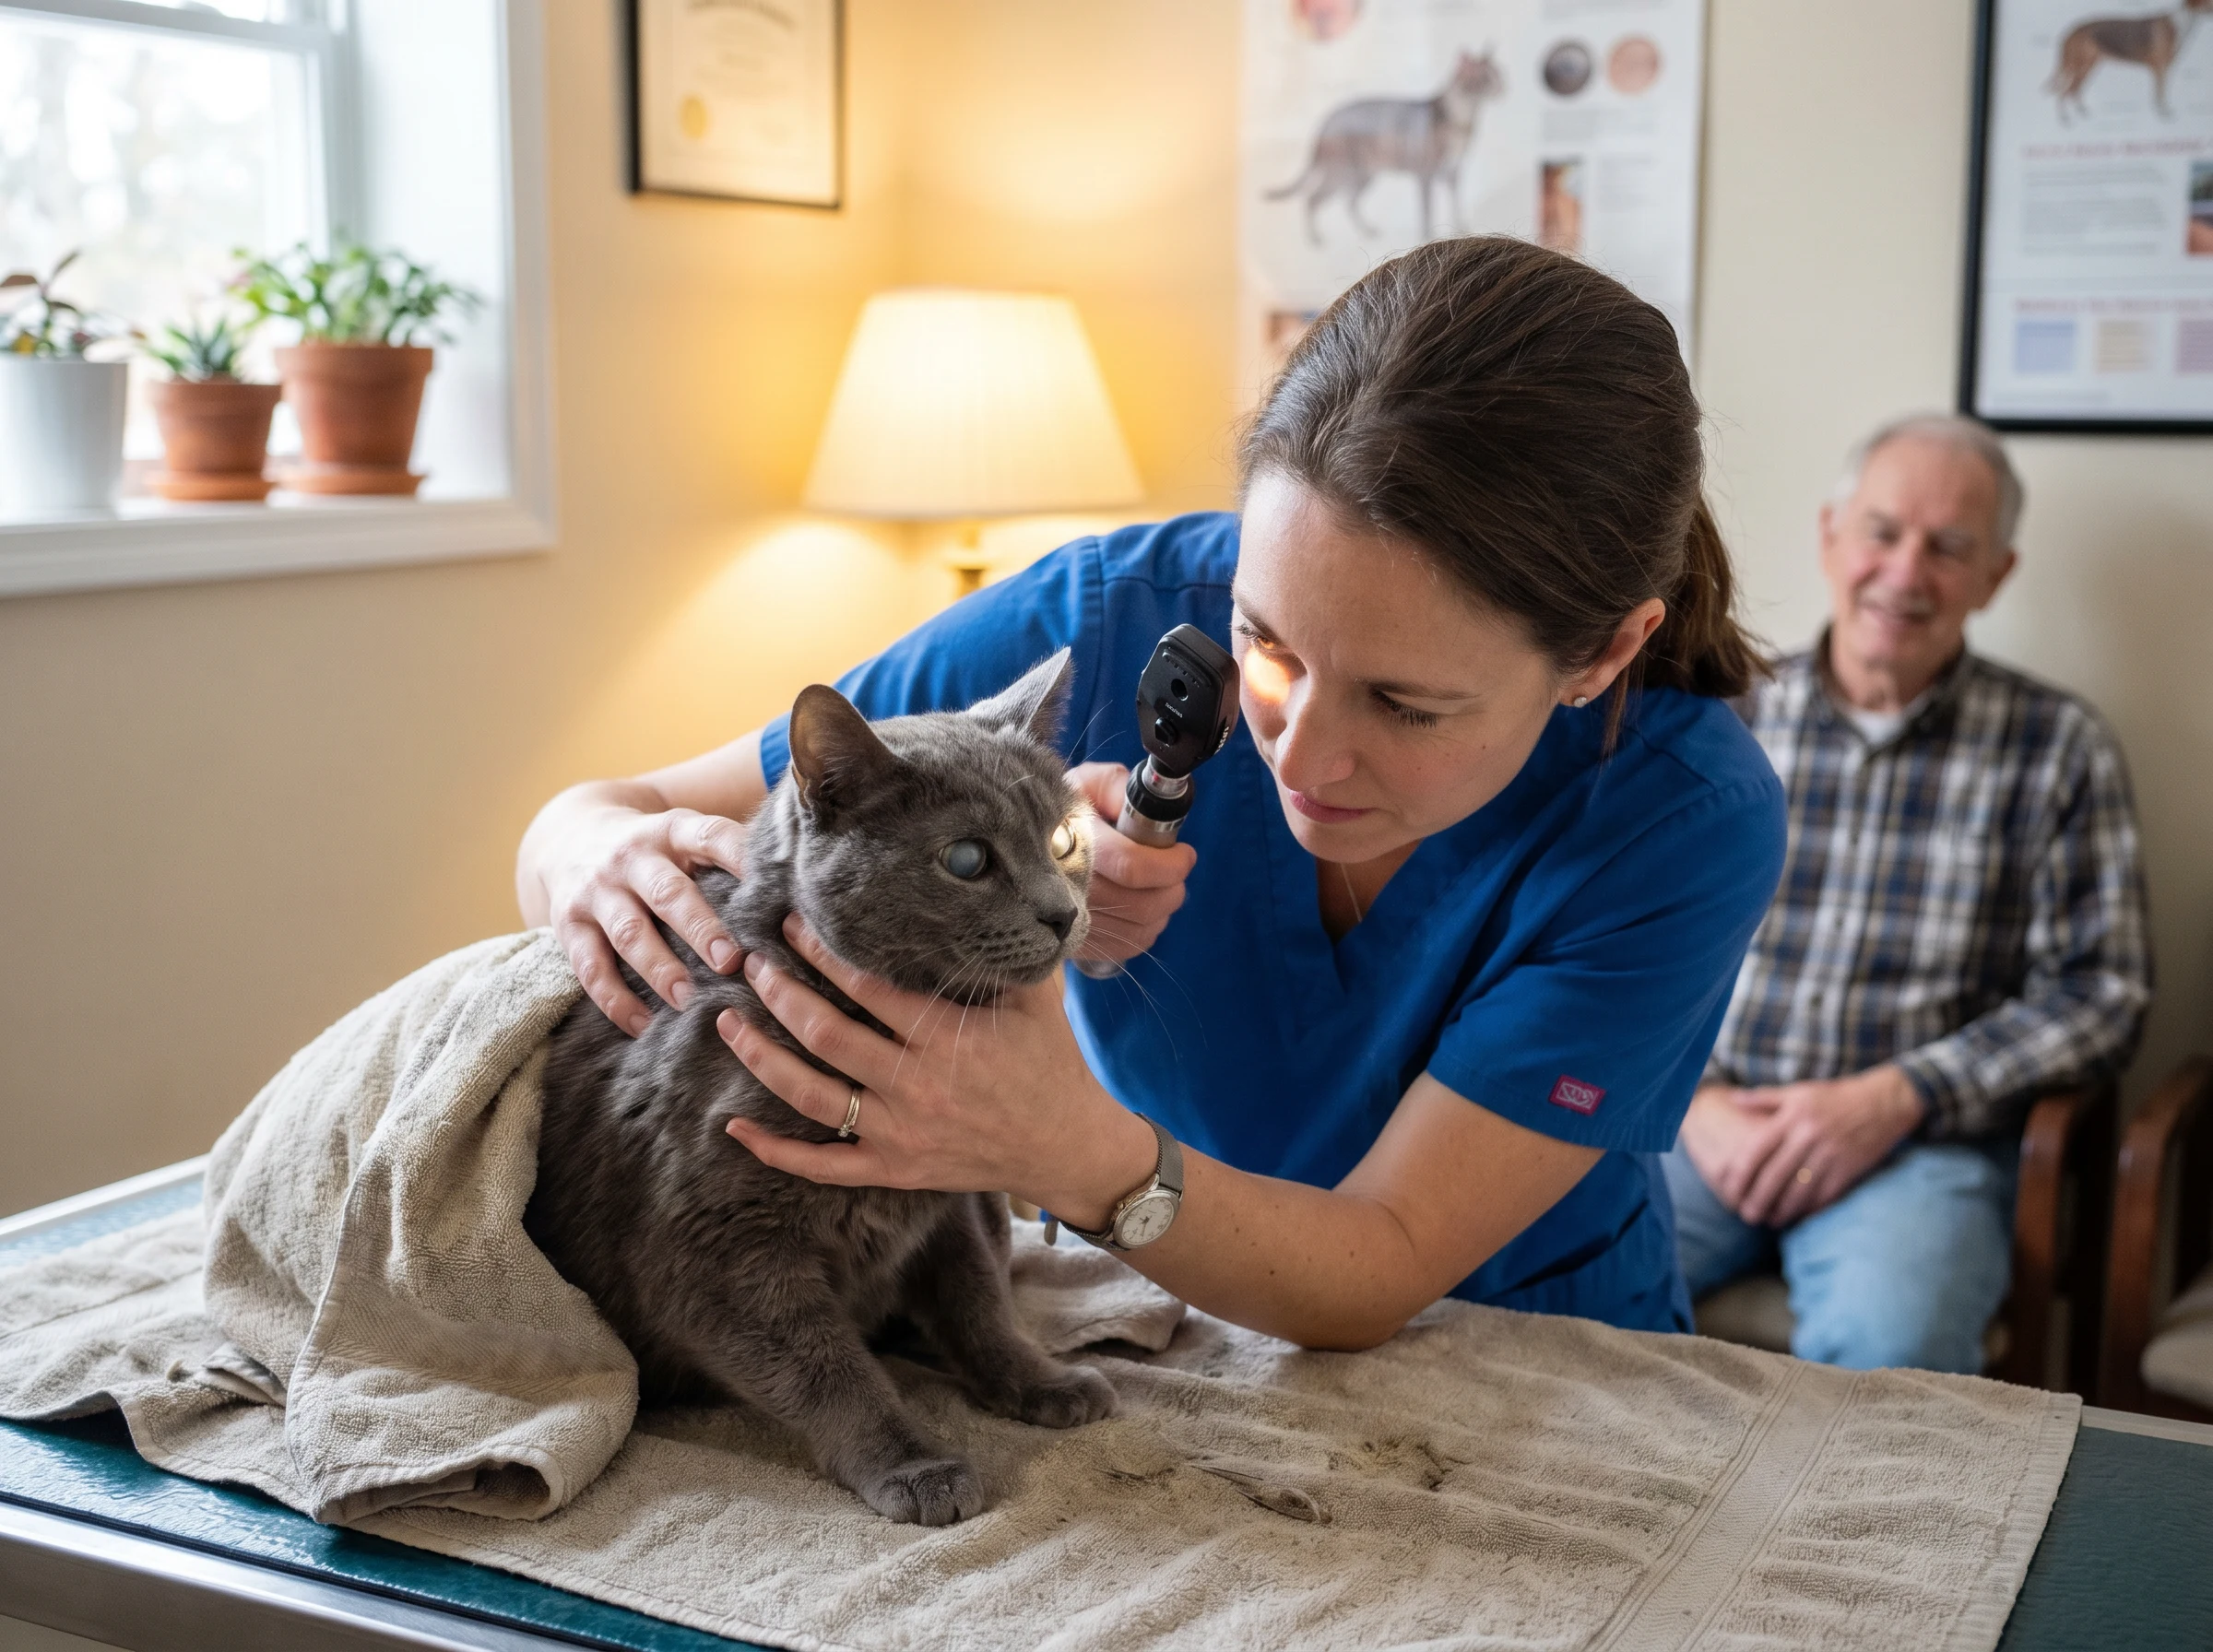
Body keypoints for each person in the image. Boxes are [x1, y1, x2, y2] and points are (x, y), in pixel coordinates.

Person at [516, 238, 1787, 1349]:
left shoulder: (1683, 818)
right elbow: (618, 810)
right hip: (1164, 1324)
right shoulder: (1105, 610)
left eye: (1404, 706)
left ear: (1605, 653)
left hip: (1523, 1356)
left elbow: (1381, 1262)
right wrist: (576, 849)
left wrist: (1066, 1150)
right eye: (1266, 644)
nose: (1299, 753)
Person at [1662, 413, 2153, 1375]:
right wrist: (1686, 1102)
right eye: (1883, 533)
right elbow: (1616, 929)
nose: (1906, 571)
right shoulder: (1720, 716)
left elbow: (2105, 993)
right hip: (1700, 1120)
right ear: (1831, 536)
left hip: (1918, 1153)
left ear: (1995, 575)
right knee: (1539, 1294)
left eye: (1949, 547)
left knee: (1898, 1355)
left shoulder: (2058, 748)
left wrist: (1901, 1096)